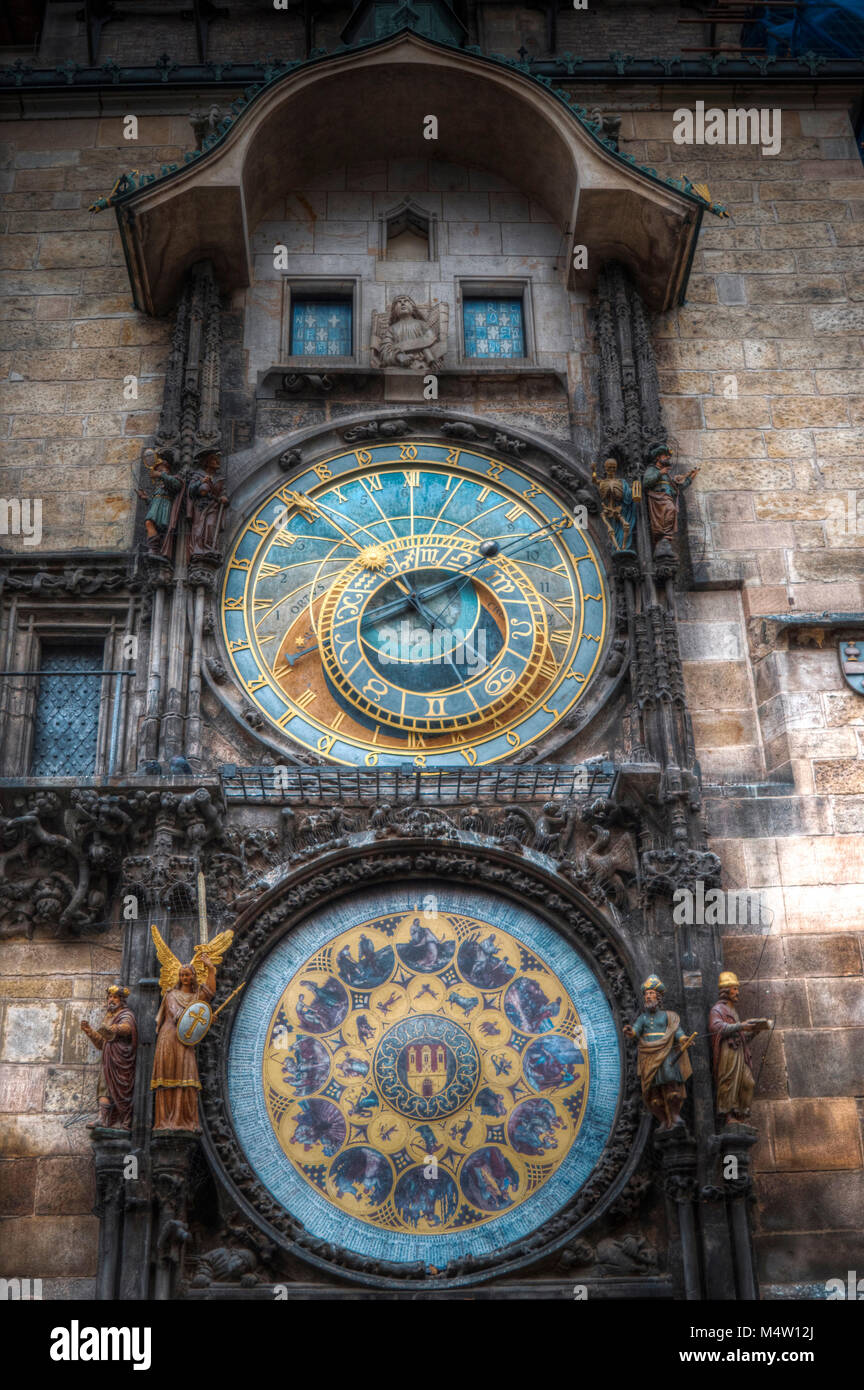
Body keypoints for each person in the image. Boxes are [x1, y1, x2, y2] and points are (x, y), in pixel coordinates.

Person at [624, 974, 696, 1129]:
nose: (649, 997)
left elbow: (675, 1031)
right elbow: (635, 1032)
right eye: (647, 994)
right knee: (653, 1093)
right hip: (648, 1055)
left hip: (666, 1053)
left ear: (658, 997)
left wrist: (683, 1038)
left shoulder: (667, 1016)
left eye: (651, 994)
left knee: (672, 1088)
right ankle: (663, 1119)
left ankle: (675, 1115)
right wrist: (630, 1032)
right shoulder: (642, 1018)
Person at [709, 971, 770, 1124]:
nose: (737, 992)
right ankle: (728, 1116)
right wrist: (740, 1026)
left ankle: (741, 1115)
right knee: (729, 1081)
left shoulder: (733, 1012)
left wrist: (754, 1032)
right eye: (734, 989)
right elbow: (715, 1027)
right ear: (726, 990)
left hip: (739, 1052)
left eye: (737, 989)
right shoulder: (718, 1009)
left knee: (748, 1083)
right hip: (728, 1053)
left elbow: (740, 1036)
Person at [80, 984, 138, 1129]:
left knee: (122, 1089)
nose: (111, 1000)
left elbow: (128, 1027)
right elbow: (101, 1043)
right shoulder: (108, 1017)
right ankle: (102, 1118)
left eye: (115, 997)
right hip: (107, 1058)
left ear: (121, 1000)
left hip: (121, 1058)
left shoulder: (126, 1014)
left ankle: (126, 1120)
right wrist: (89, 1031)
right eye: (109, 997)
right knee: (104, 1086)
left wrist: (114, 1028)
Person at [642, 444, 698, 553]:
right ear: (658, 457)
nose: (667, 458)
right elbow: (646, 482)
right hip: (658, 499)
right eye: (665, 456)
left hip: (667, 498)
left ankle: (666, 536)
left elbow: (677, 488)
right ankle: (662, 535)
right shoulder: (652, 469)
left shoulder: (667, 475)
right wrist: (659, 473)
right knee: (670, 509)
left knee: (671, 510)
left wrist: (690, 478)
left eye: (668, 456)